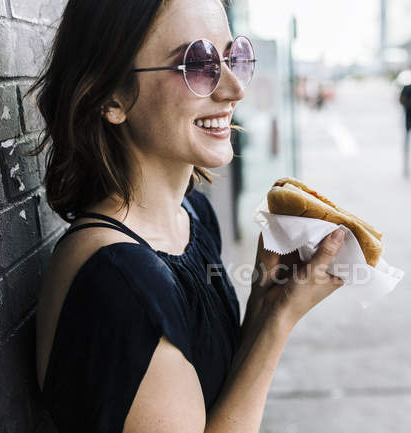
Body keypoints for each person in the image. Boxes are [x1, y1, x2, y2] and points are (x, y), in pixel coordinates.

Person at [29, 1, 346, 432]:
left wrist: (267, 307)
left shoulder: (192, 215)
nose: (235, 88)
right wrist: (278, 327)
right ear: (111, 95)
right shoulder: (120, 287)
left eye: (235, 58)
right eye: (197, 64)